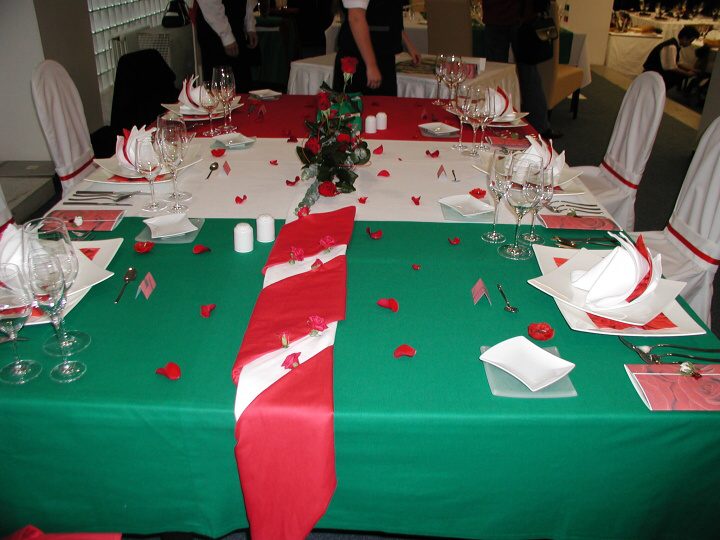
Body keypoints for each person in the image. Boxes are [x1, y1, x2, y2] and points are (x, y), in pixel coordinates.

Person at [482, 0, 561, 139]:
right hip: (518, 16)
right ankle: (539, 126)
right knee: (524, 74)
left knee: (499, 73)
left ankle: (494, 121)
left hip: (505, 16)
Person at [332, 0, 421, 96]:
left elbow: (388, 16)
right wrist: (371, 65)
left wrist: (408, 44)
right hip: (360, 58)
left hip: (383, 55)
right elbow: (356, 17)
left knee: (386, 103)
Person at [194, 0, 259, 92]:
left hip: (236, 24)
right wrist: (226, 36)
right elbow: (208, 3)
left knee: (242, 82)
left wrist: (250, 24)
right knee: (219, 84)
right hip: (215, 28)